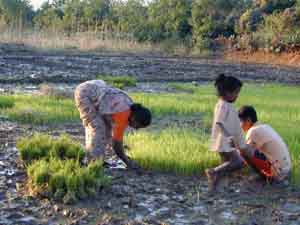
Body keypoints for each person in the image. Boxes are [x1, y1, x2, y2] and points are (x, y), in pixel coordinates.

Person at [74, 80, 151, 170]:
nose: (136, 129)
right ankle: (93, 163)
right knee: (98, 128)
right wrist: (127, 162)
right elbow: (116, 144)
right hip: (85, 93)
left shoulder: (129, 107)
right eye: (138, 126)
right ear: (135, 119)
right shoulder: (123, 115)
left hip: (97, 87)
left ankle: (97, 159)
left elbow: (113, 136)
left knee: (105, 129)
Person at [205, 74, 246, 193]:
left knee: (225, 165)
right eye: (236, 92)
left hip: (225, 141)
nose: (237, 95)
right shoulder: (223, 105)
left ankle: (214, 189)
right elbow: (219, 122)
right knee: (238, 162)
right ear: (227, 92)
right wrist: (229, 137)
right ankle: (213, 172)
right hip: (224, 141)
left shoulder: (227, 104)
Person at [237, 105, 292, 183]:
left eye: (240, 122)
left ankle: (266, 177)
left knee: (243, 151)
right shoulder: (265, 126)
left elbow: (244, 153)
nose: (239, 126)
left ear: (248, 120)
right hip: (287, 170)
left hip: (279, 173)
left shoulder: (253, 131)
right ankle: (266, 175)